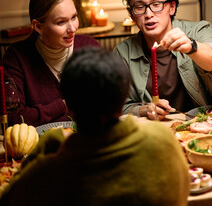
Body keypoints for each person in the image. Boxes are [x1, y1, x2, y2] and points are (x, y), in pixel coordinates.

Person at [0, 47, 190, 206]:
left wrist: (49, 143)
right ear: (123, 98)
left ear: (68, 104)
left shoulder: (49, 170)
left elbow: (10, 198)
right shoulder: (162, 140)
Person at [114, 0, 212, 120]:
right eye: (140, 7)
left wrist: (191, 47)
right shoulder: (123, 52)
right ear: (131, 15)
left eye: (156, 4)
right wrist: (144, 109)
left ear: (172, 7)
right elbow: (117, 107)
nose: (148, 14)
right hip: (153, 132)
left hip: (201, 125)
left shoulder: (198, 30)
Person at [3, 0, 101, 127]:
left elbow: (107, 103)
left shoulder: (90, 47)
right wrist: (63, 105)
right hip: (38, 147)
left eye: (74, 17)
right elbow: (14, 118)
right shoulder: (17, 57)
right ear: (38, 27)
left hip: (88, 141)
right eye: (61, 22)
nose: (73, 29)